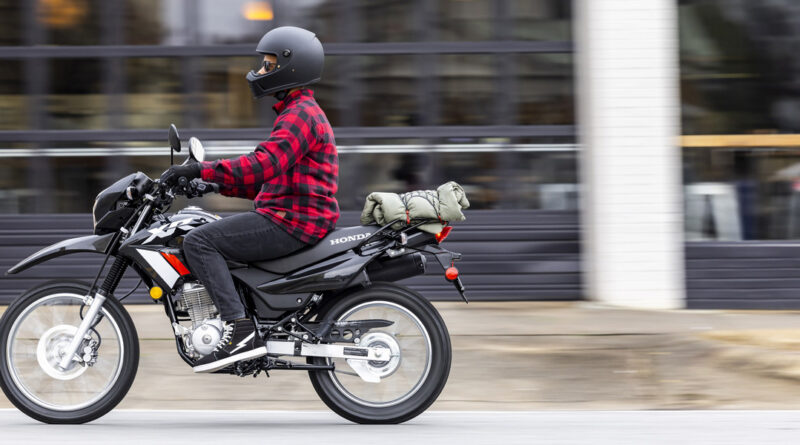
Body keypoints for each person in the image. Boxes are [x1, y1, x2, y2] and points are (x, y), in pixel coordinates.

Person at [159, 26, 339, 373]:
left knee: (198, 242)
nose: (260, 72)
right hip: (293, 214)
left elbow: (263, 164)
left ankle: (240, 331)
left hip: (293, 221)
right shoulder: (297, 112)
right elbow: (272, 179)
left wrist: (200, 170)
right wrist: (211, 186)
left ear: (292, 67)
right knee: (207, 233)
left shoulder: (300, 115)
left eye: (269, 65)